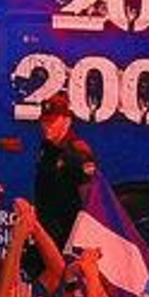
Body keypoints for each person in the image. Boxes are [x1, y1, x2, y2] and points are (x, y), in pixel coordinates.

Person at [33, 91, 96, 247]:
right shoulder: (47, 148)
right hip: (47, 228)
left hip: (66, 231)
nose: (47, 127)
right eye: (44, 122)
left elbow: (87, 197)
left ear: (67, 121)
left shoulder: (77, 152)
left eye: (52, 122)